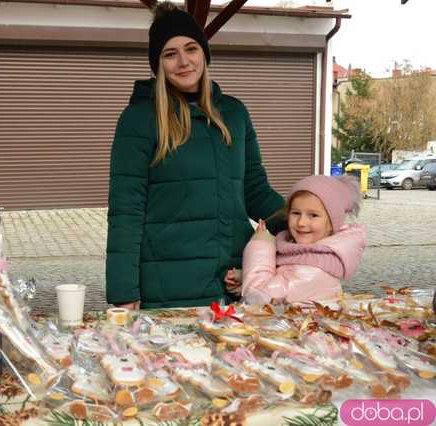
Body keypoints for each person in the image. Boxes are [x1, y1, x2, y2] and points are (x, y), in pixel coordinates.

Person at [106, 2, 284, 309]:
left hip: (232, 283)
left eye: (191, 49)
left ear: (204, 53)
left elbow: (255, 191)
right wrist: (123, 292)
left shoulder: (234, 113)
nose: (183, 61)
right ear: (158, 63)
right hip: (168, 289)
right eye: (170, 53)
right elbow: (127, 211)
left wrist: (304, 222)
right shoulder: (138, 120)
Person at [241, 175, 366, 305]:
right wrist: (242, 277)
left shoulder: (315, 269)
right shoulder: (308, 255)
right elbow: (286, 277)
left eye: (313, 215)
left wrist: (261, 245)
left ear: (332, 223)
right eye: (295, 213)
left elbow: (257, 298)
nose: (301, 222)